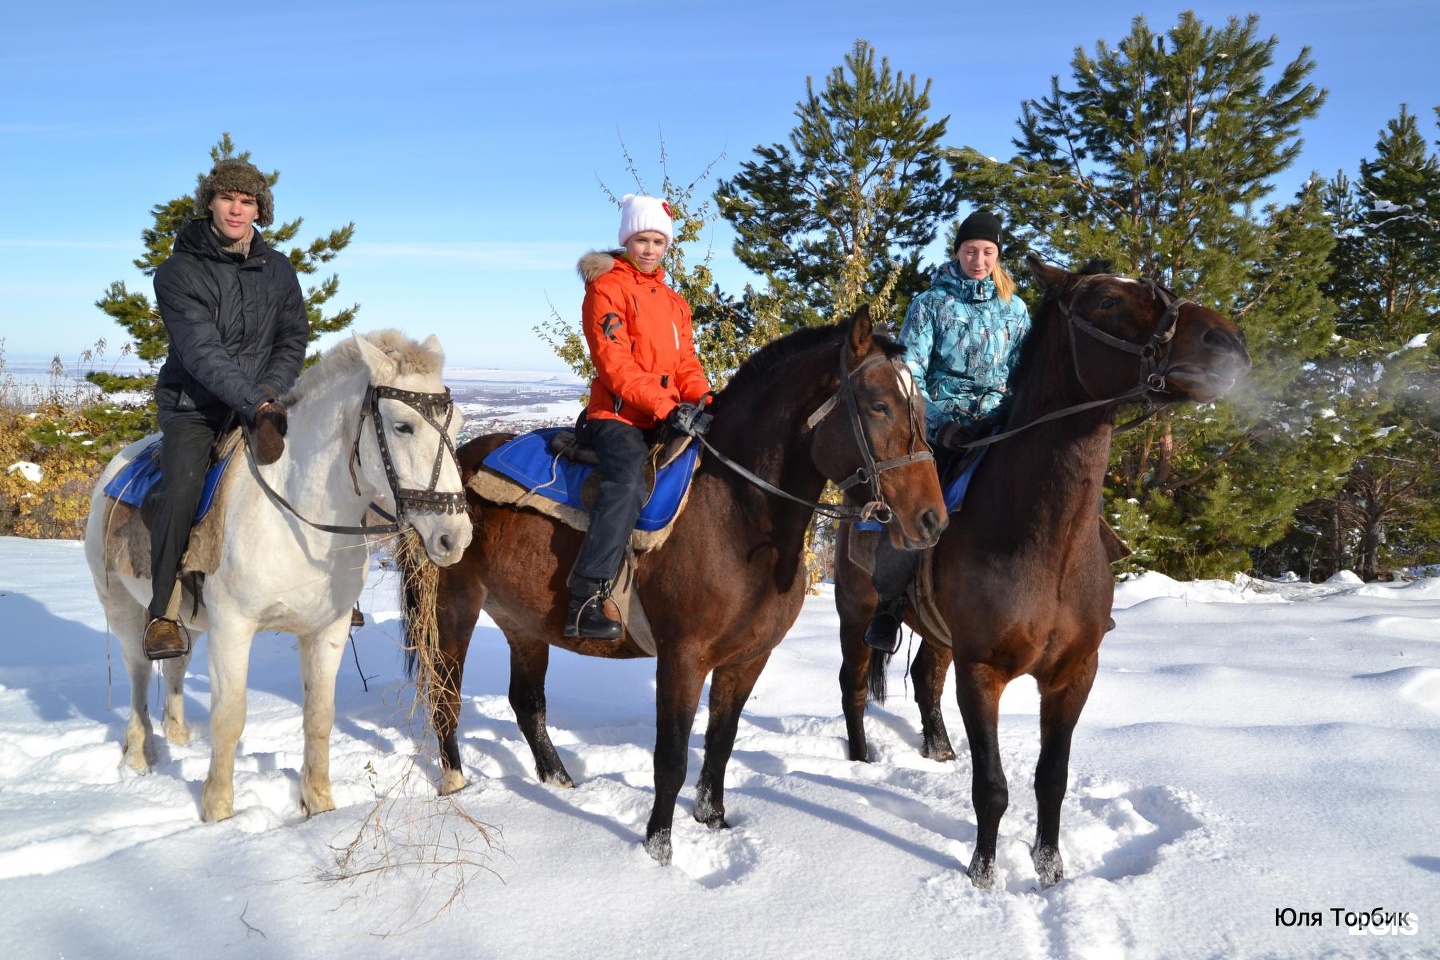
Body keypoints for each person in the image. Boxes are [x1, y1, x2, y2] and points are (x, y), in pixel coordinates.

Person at [142, 158, 309, 660]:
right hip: (195, 405)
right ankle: (162, 612)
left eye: (248, 201)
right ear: (210, 202)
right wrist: (255, 400)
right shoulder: (178, 272)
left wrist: (270, 394)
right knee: (182, 487)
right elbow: (200, 352)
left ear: (260, 210)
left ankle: (326, 587)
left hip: (261, 399)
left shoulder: (278, 268)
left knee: (328, 463)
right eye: (228, 198)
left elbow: (292, 337)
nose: (237, 209)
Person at [863, 210, 1032, 653]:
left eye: (987, 252)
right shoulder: (929, 305)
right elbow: (910, 373)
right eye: (971, 250)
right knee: (913, 505)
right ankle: (890, 606)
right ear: (957, 252)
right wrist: (940, 423)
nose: (978, 259)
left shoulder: (1016, 309)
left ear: (998, 256)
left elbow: (1022, 371)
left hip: (1001, 422)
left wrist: (1017, 411)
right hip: (943, 424)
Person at [568, 194, 713, 640]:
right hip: (618, 416)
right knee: (628, 482)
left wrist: (705, 401)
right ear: (626, 240)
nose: (650, 249)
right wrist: (668, 407)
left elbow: (685, 362)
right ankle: (587, 596)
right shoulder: (606, 289)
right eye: (641, 240)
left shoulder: (674, 302)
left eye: (658, 241)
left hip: (666, 415)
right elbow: (615, 364)